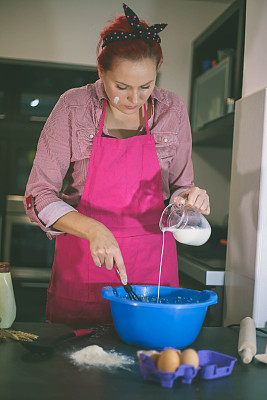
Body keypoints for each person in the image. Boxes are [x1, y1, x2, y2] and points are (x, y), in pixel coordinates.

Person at [24, 3, 210, 324]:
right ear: (101, 72)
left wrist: (189, 200)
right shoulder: (74, 108)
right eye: (121, 87)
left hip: (152, 268)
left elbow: (181, 188)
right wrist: (92, 228)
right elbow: (38, 196)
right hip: (85, 259)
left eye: (146, 87)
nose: (133, 99)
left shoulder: (172, 111)